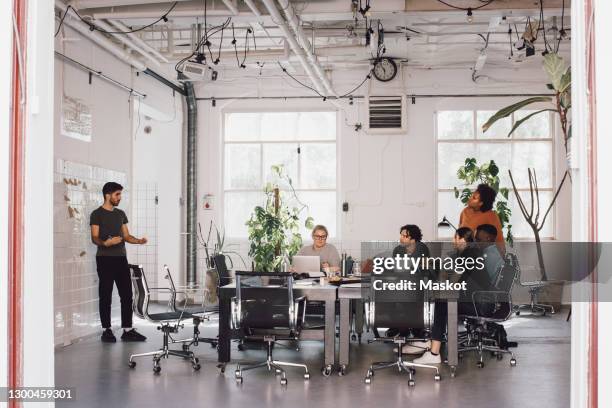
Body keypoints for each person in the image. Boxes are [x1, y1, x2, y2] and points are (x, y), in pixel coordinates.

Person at [412, 227, 491, 364]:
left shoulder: (469, 254)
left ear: (462, 240)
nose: (452, 240)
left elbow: (453, 281)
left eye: (455, 237)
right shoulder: (470, 252)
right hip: (478, 299)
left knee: (442, 303)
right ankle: (433, 343)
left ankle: (434, 352)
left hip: (479, 303)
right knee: (441, 301)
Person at [90, 182, 148, 343]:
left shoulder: (120, 214)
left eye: (120, 194)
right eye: (117, 194)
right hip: (104, 259)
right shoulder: (97, 214)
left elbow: (127, 236)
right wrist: (105, 243)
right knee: (105, 295)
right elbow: (94, 237)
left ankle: (127, 330)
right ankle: (106, 330)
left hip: (121, 259)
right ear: (107, 195)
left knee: (127, 295)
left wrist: (138, 241)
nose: (119, 198)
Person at [459, 184, 505, 248]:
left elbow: (499, 240)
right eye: (472, 195)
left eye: (474, 198)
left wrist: (502, 255)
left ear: (481, 203)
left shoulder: (491, 216)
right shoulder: (465, 211)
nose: (470, 198)